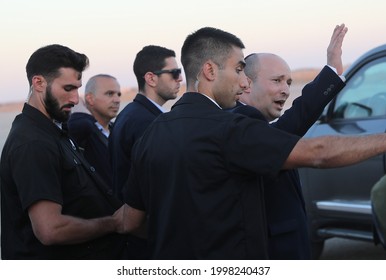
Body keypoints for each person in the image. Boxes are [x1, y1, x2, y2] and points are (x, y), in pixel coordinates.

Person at [122, 26, 386, 260]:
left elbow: (132, 221)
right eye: (238, 69)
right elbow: (318, 152)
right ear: (210, 70)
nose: (243, 80)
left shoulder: (150, 134)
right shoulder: (228, 129)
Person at [0, 44, 128, 260]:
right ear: (38, 83)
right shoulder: (33, 143)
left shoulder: (54, 130)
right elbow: (50, 229)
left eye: (77, 88)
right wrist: (114, 223)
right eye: (68, 88)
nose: (75, 99)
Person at [231, 24, 347, 259]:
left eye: (289, 82)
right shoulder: (239, 122)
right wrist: (331, 71)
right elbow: (296, 120)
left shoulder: (253, 124)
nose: (285, 90)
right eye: (277, 80)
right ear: (246, 84)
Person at [109, 45, 182, 201]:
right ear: (151, 78)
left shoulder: (129, 114)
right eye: (175, 73)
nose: (180, 79)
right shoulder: (148, 122)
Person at [68, 74, 121, 186]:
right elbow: (79, 124)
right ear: (90, 98)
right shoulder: (82, 130)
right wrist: (78, 108)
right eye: (109, 93)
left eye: (118, 94)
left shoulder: (118, 130)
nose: (117, 100)